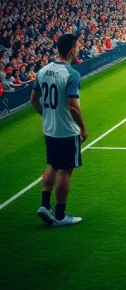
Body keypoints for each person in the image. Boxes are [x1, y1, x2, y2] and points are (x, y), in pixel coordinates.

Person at [30, 33, 88, 227]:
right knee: (65, 171)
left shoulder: (43, 70)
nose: (78, 50)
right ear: (72, 51)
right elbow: (73, 107)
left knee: (53, 165)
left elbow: (33, 100)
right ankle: (61, 216)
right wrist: (83, 129)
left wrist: (46, 116)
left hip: (50, 129)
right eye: (77, 47)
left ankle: (44, 205)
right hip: (66, 131)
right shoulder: (72, 74)